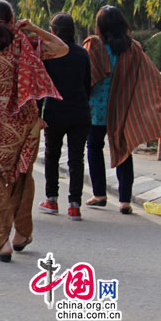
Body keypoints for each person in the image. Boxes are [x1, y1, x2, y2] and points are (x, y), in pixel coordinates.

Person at [0, 0, 67, 262]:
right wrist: (35, 29)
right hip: (22, 118)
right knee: (20, 175)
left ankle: (2, 243)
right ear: (12, 18)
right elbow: (61, 48)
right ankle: (22, 234)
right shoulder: (25, 41)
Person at [84, 5, 161, 215]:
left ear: (100, 25)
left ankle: (99, 194)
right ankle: (125, 201)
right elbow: (150, 75)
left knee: (94, 147)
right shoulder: (133, 47)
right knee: (124, 149)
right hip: (123, 107)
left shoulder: (94, 45)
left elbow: (87, 75)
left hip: (97, 108)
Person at [38, 13, 91, 220]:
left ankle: (51, 199)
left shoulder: (49, 55)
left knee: (52, 156)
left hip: (55, 112)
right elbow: (87, 84)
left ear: (53, 32)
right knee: (76, 159)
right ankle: (74, 205)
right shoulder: (82, 54)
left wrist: (37, 113)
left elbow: (41, 88)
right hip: (80, 111)